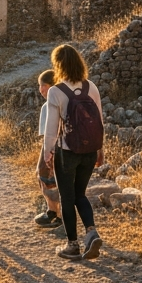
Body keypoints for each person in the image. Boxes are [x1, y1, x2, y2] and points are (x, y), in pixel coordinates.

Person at [42, 44, 104, 260]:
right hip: (89, 151)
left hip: (67, 152)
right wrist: (100, 150)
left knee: (67, 197)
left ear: (58, 65)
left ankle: (72, 246)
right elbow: (99, 122)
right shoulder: (91, 87)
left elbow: (51, 128)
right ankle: (91, 231)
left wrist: (47, 154)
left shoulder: (55, 91)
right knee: (80, 194)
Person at [34, 69, 63, 231]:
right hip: (65, 148)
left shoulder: (47, 106)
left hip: (51, 149)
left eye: (43, 85)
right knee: (59, 182)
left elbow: (47, 136)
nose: (41, 89)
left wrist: (44, 156)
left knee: (43, 177)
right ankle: (58, 214)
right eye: (40, 86)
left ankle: (53, 212)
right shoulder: (63, 101)